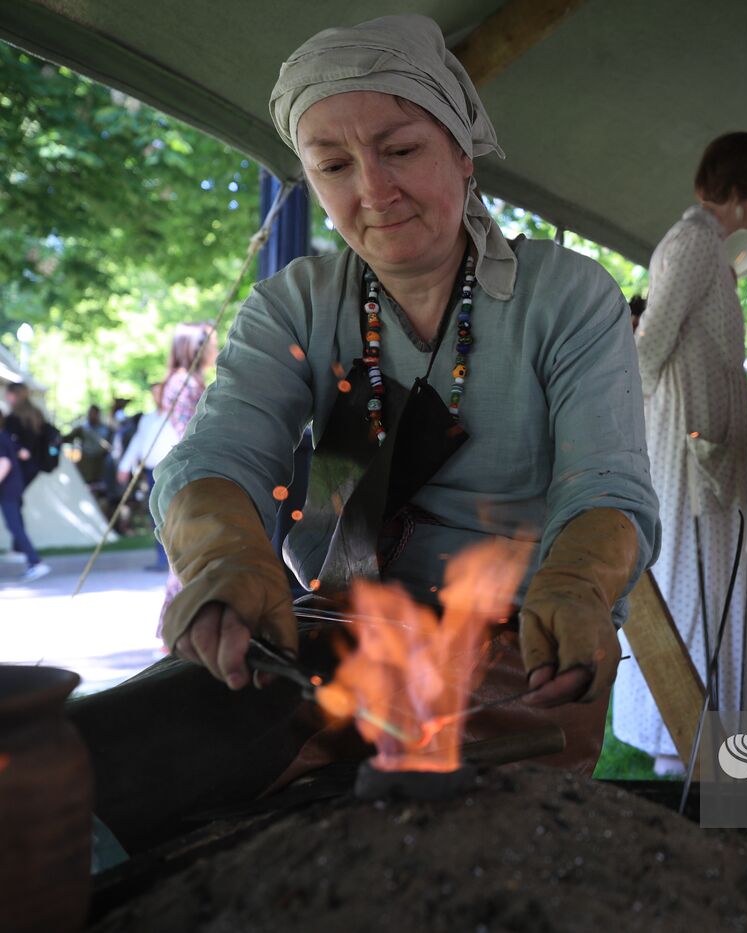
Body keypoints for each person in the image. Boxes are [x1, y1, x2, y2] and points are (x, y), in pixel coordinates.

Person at [69, 14, 657, 851]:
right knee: (114, 764)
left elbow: (607, 487)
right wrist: (224, 556)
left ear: (461, 148)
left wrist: (578, 583)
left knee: (450, 844)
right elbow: (220, 453)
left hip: (516, 644)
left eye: (402, 149)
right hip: (330, 628)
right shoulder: (296, 306)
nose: (374, 190)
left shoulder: (566, 299)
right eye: (335, 165)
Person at [613, 132, 747, 776]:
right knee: (693, 595)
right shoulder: (690, 245)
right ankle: (679, 750)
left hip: (705, 460)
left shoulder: (705, 248)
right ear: (742, 191)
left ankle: (704, 750)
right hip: (689, 463)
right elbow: (646, 348)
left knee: (712, 593)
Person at [118, 322, 217, 573]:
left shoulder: (186, 381)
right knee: (190, 561)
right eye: (211, 344)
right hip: (187, 476)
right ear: (195, 348)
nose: (215, 350)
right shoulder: (184, 384)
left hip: (185, 473)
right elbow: (190, 435)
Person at [0, 425, 50, 582]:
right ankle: (28, 558)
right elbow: (25, 454)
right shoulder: (5, 436)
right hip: (15, 486)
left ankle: (35, 562)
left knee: (15, 526)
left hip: (8, 489)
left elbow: (5, 463)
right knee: (14, 525)